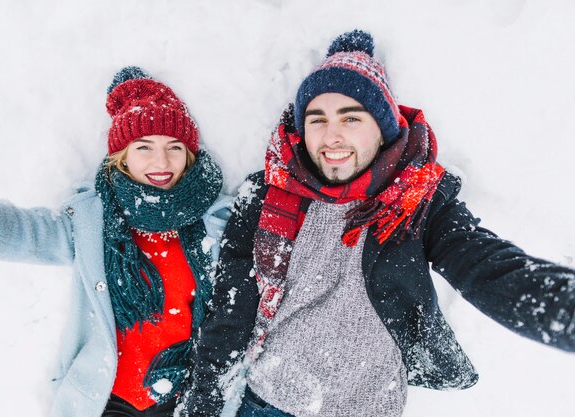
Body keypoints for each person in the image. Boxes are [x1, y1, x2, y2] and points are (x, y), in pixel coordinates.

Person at [180, 30, 575, 417]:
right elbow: (232, 308)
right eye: (317, 120)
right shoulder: (268, 194)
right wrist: (203, 401)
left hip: (369, 406)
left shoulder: (418, 199)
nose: (331, 136)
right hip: (269, 403)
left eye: (351, 118)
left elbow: (487, 267)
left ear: (382, 128)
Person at [0, 66, 231, 417]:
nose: (162, 161)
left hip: (183, 398)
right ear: (122, 156)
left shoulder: (215, 220)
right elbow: (15, 231)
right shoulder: (92, 221)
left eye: (174, 147)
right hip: (105, 401)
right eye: (144, 147)